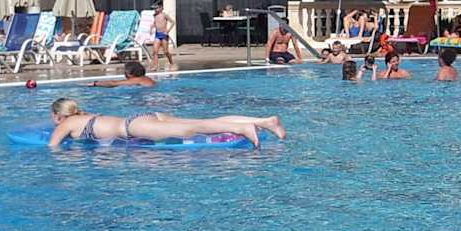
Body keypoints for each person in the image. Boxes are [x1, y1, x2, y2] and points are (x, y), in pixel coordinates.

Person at [47, 97, 285, 149]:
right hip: (143, 118)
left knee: (192, 129)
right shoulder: (86, 115)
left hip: (134, 128)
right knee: (202, 122)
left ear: (58, 116)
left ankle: (241, 128)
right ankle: (264, 121)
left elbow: (52, 147)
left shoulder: (66, 124)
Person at [149, 2, 176, 71]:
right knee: (155, 51)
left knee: (166, 51)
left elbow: (173, 22)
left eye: (156, 8)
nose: (155, 10)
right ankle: (155, 66)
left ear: (161, 8)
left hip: (164, 35)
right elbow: (155, 22)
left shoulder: (164, 15)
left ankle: (171, 63)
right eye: (154, 8)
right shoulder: (154, 15)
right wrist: (151, 28)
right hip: (157, 34)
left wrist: (168, 31)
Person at [90, 60, 155, 88]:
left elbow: (113, 83)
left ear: (130, 74)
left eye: (125, 71)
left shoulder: (136, 80)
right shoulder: (146, 78)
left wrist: (95, 83)